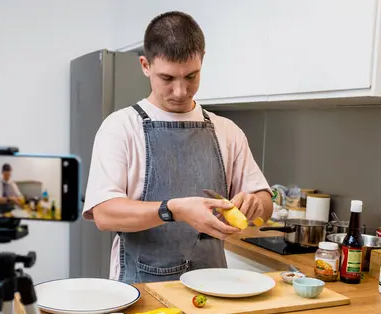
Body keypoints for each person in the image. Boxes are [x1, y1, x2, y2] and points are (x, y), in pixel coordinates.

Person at [83, 11, 272, 284]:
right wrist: (173, 210)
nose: (181, 91)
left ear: (202, 60)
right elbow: (104, 214)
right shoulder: (120, 127)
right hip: (142, 289)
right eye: (168, 79)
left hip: (215, 285)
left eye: (191, 76)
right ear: (145, 65)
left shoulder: (226, 130)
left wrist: (255, 204)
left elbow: (265, 203)